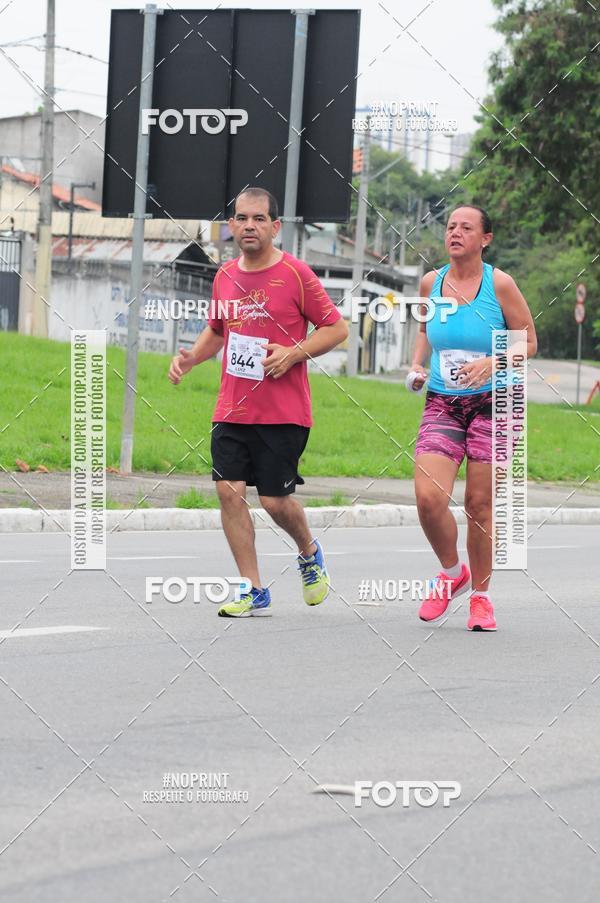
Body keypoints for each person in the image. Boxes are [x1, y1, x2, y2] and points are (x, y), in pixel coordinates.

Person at [168, 187, 348, 617]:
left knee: (273, 501)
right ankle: (252, 587)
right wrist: (193, 357)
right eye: (242, 218)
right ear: (231, 225)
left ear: (275, 226)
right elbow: (217, 329)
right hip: (232, 407)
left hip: (283, 412)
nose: (249, 226)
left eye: (259, 219)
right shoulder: (225, 275)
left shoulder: (296, 274)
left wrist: (293, 353)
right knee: (228, 492)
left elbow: (336, 329)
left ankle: (308, 551)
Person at [409, 205, 537, 631]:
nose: (455, 233)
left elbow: (529, 342)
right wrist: (416, 365)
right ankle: (452, 573)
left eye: (466, 227)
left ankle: (481, 598)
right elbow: (426, 330)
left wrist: (492, 363)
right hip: (444, 400)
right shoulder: (433, 282)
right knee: (428, 499)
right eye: (450, 227)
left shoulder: (500, 284)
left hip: (495, 401)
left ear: (485, 238)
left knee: (478, 505)